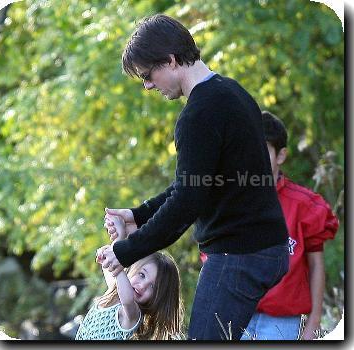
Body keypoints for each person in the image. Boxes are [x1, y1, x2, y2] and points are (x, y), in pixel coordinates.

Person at [102, 14, 289, 340]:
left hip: (238, 256)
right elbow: (196, 184)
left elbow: (187, 202)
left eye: (148, 75)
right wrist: (137, 215)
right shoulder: (233, 92)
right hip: (264, 248)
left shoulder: (198, 115)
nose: (147, 86)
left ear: (171, 60)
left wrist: (125, 252)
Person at [238, 111, 339, 340]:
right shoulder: (231, 201)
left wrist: (312, 325)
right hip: (237, 315)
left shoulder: (304, 206)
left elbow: (316, 267)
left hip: (281, 321)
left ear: (281, 155)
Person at [75, 216, 184, 340]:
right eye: (142, 275)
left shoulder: (133, 314)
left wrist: (118, 246)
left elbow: (127, 298)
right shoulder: (114, 291)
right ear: (133, 268)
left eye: (153, 287)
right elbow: (109, 266)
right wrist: (108, 249)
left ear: (158, 298)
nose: (142, 286)